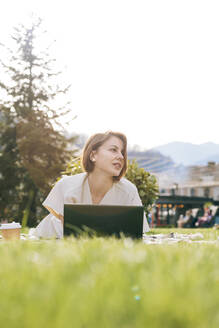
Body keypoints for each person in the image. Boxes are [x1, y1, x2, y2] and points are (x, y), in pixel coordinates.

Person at [33, 131, 150, 238]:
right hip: (49, 240)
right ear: (93, 155)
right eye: (113, 150)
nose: (121, 156)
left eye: (122, 152)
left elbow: (138, 233)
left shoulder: (129, 190)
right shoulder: (67, 185)